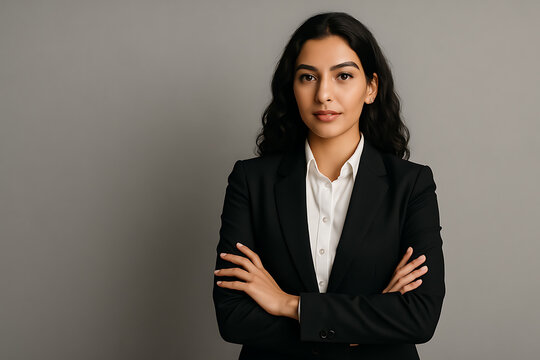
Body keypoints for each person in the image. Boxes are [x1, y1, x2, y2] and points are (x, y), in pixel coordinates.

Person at [212, 11, 445, 360]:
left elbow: (420, 317)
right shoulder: (251, 181)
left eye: (343, 76)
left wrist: (288, 304)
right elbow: (233, 317)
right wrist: (368, 321)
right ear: (292, 87)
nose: (323, 94)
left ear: (371, 88)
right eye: (308, 77)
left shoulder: (411, 185)